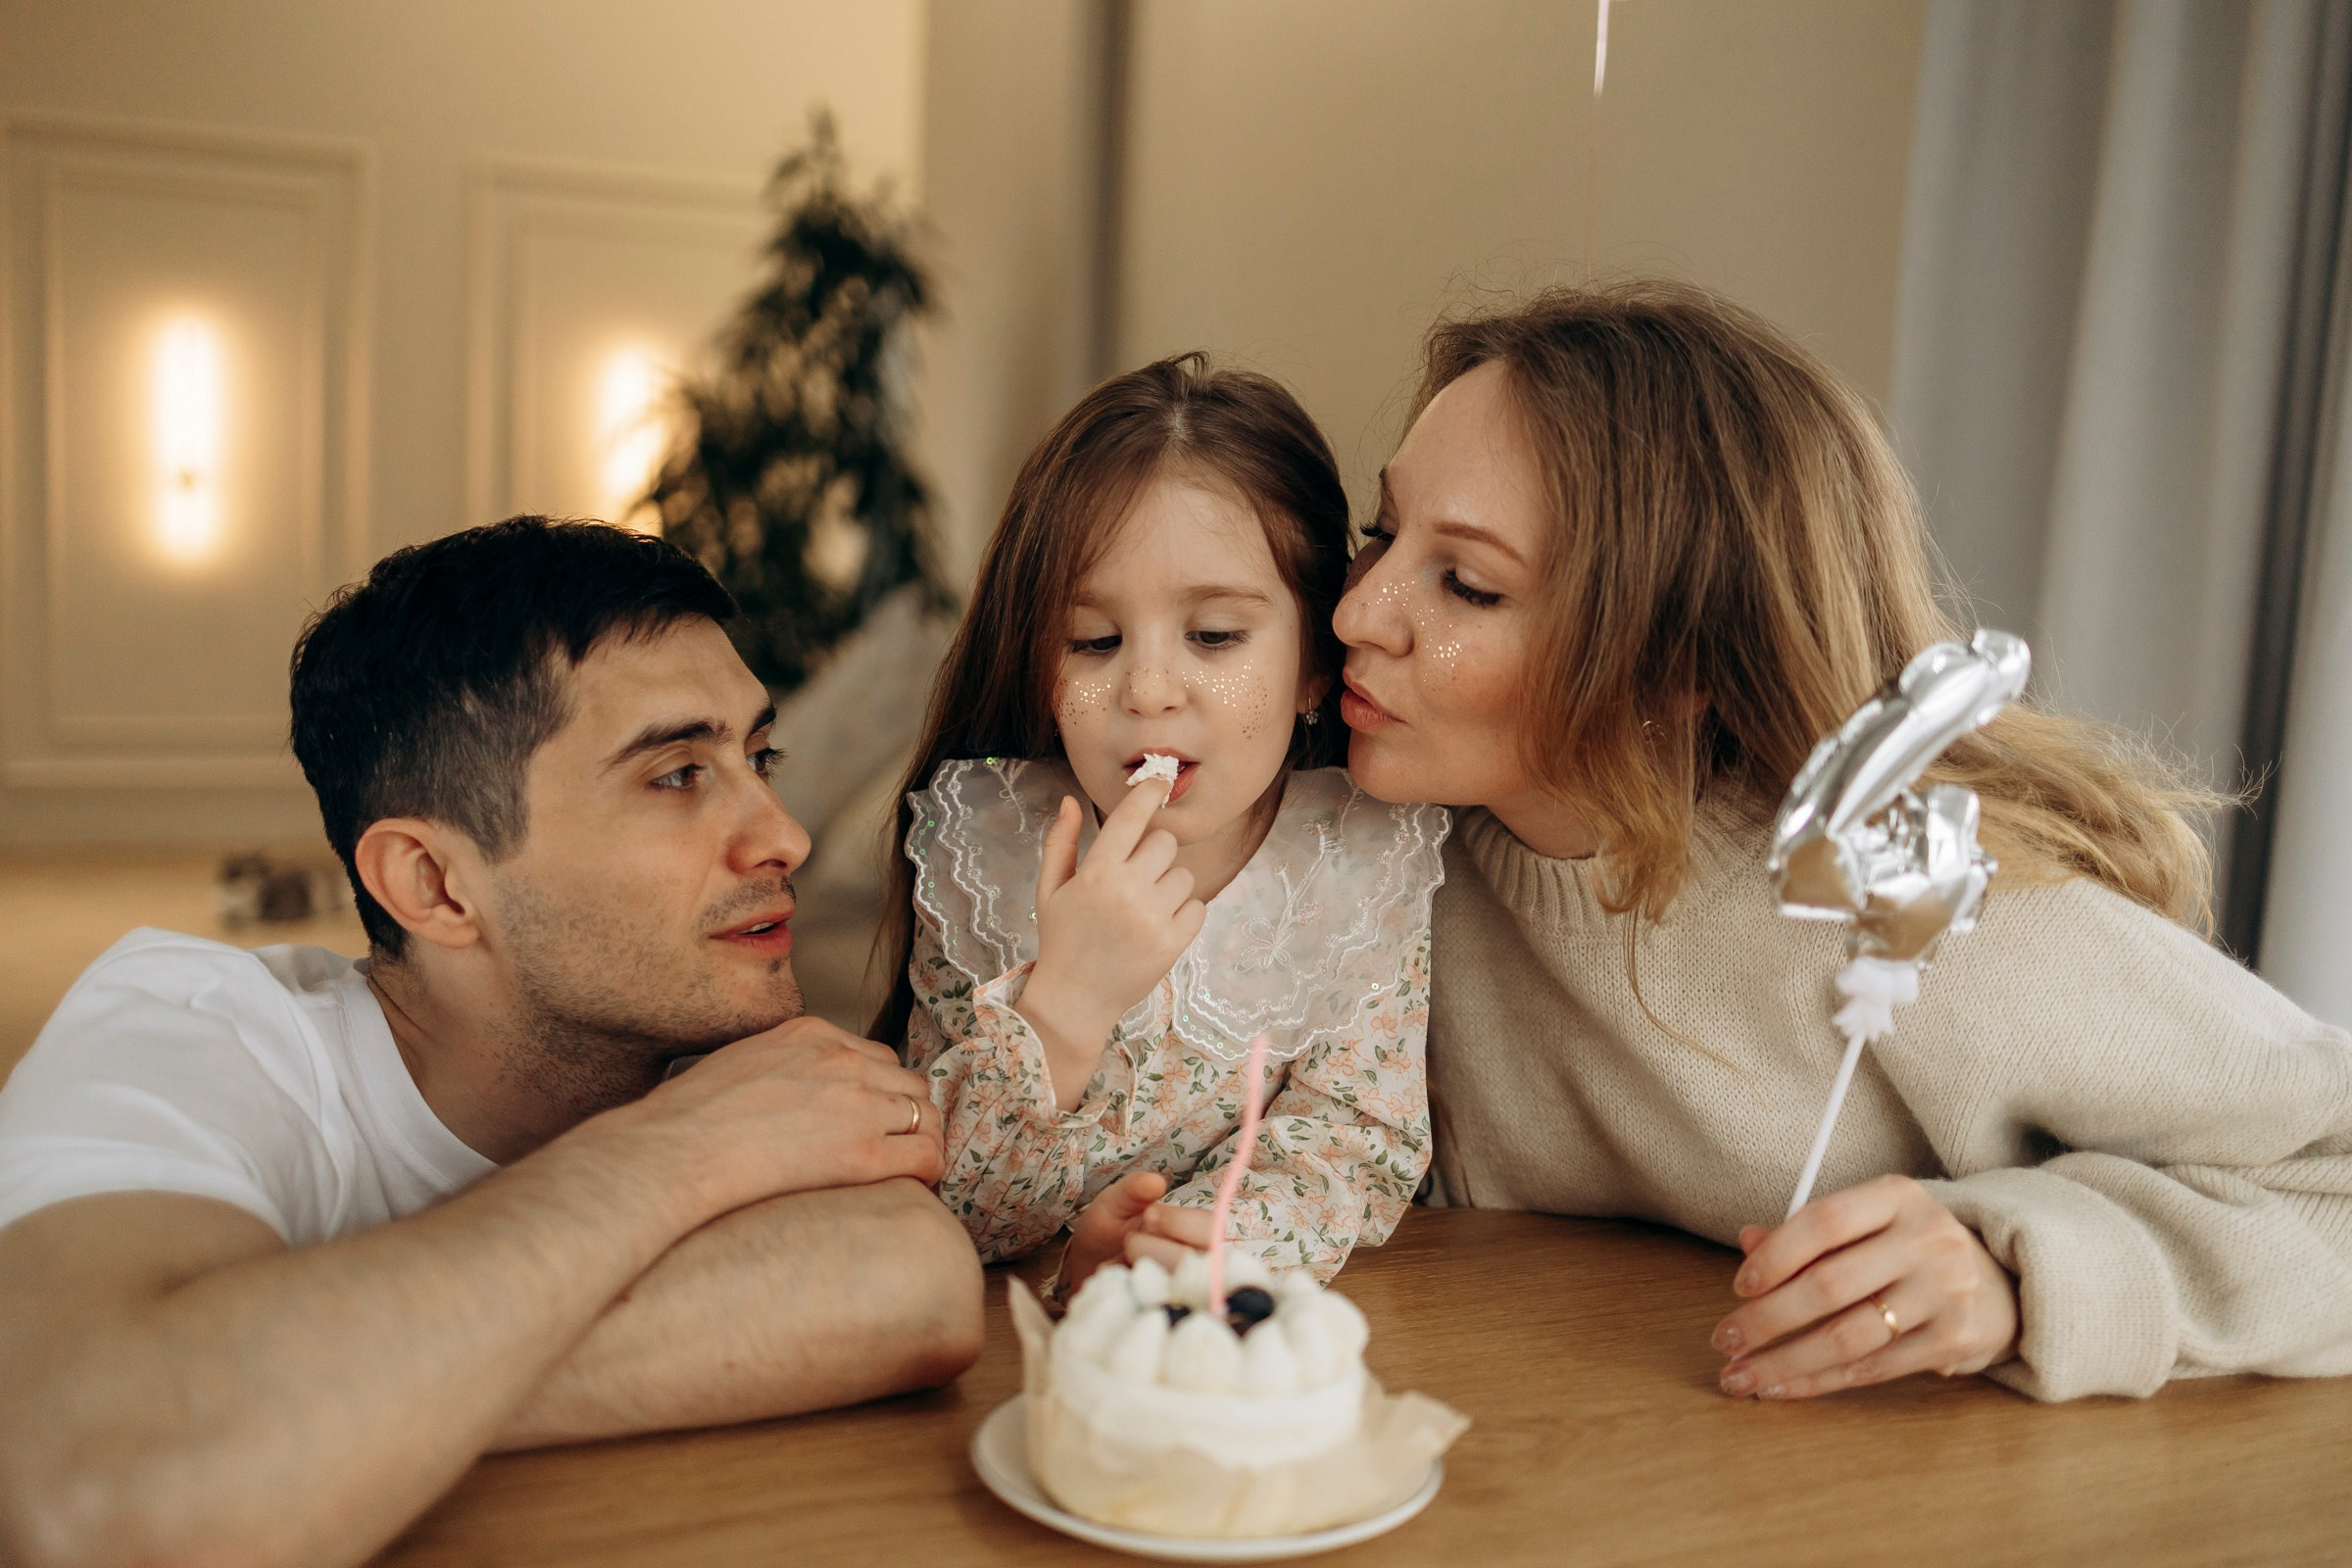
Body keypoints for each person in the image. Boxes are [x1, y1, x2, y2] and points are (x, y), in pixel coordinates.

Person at [1336, 280, 2352, 1403]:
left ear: (1675, 666)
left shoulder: (1918, 902)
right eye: (1380, 532)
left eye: (1468, 585)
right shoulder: (1374, 860)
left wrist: (2026, 1274)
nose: (1358, 610)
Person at [0, 517, 984, 1568]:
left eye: (758, 756)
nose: (783, 834)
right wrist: (682, 1147)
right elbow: (104, 1487)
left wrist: (319, 1409)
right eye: (676, 775)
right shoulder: (191, 1026)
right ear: (435, 885)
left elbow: (911, 1278)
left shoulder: (709, 1046)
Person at [874, 356, 1447, 1292]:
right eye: (1094, 642)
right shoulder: (985, 849)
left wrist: (1181, 1244)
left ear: (1314, 664)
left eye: (1214, 636)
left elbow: (1356, 1145)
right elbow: (953, 1208)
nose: (1145, 691)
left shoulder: (1361, 860)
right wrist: (1064, 1006)